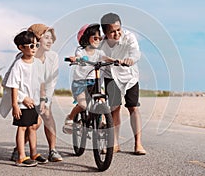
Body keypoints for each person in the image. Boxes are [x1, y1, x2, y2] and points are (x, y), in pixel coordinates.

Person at [8, 24, 62, 162]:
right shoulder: (20, 59)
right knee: (29, 125)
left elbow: (49, 82)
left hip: (39, 96)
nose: (50, 41)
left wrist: (45, 101)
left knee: (46, 116)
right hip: (24, 98)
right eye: (46, 37)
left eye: (52, 38)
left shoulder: (52, 57)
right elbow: (11, 84)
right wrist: (21, 99)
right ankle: (19, 151)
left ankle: (52, 150)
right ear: (36, 38)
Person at [100, 12, 146, 155]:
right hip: (111, 77)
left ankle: (138, 144)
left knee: (133, 107)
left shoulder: (129, 37)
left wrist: (131, 60)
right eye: (112, 31)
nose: (117, 33)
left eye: (118, 29)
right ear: (105, 33)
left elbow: (135, 52)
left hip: (129, 77)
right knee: (115, 108)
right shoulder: (101, 43)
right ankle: (114, 143)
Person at [5, 30, 48, 167]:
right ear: (21, 47)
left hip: (34, 102)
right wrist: (15, 104)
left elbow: (41, 83)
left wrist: (42, 100)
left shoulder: (38, 63)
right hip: (22, 103)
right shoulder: (18, 64)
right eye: (31, 45)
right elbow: (13, 85)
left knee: (33, 127)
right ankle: (21, 157)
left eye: (36, 45)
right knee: (22, 128)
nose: (34, 48)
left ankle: (34, 153)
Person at [62, 23, 106, 134]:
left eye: (99, 38)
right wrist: (75, 59)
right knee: (83, 105)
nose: (98, 40)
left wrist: (116, 60)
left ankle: (102, 121)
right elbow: (79, 57)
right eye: (95, 38)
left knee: (102, 101)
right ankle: (70, 117)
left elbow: (105, 58)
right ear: (86, 39)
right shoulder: (81, 51)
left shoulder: (99, 52)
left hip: (95, 82)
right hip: (80, 82)